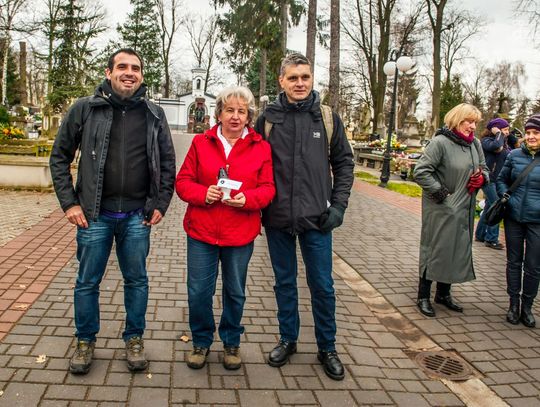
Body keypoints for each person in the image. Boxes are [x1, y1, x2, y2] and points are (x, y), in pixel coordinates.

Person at [49, 48, 176, 374]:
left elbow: (167, 163)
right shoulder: (85, 109)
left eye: (135, 68)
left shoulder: (154, 114)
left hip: (137, 217)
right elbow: (59, 156)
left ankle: (134, 339)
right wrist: (69, 203)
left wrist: (161, 203)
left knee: (137, 281)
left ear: (142, 75)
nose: (129, 73)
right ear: (109, 72)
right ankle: (85, 341)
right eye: (122, 66)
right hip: (94, 216)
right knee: (87, 282)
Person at [254, 53, 354, 381]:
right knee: (284, 283)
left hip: (318, 218)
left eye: (305, 77)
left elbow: (344, 163)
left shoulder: (326, 118)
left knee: (322, 285)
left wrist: (338, 206)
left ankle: (327, 347)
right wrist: (257, 206)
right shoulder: (267, 119)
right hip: (278, 217)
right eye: (293, 78)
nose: (300, 83)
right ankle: (288, 339)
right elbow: (252, 164)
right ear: (281, 81)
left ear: (312, 79)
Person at [176, 86, 275, 370]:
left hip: (239, 234)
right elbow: (183, 182)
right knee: (198, 292)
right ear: (218, 114)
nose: (235, 116)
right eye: (229, 110)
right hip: (202, 232)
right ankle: (201, 341)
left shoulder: (261, 147)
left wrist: (248, 199)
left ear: (249, 117)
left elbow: (268, 188)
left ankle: (231, 341)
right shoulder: (201, 143)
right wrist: (202, 193)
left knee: (235, 292)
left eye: (241, 111)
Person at [413, 103, 488, 318]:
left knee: (455, 249)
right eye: (468, 121)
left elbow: (484, 168)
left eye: (475, 122)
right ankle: (423, 296)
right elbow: (421, 171)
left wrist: (482, 178)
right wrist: (442, 194)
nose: (472, 126)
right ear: (456, 120)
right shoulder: (440, 143)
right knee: (435, 249)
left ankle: (443, 294)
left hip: (464, 208)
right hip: (441, 208)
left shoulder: (475, 144)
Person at [496, 113, 540, 327]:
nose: (531, 136)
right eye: (528, 132)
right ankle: (513, 304)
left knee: (533, 266)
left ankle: (527, 307)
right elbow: (501, 180)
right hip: (513, 217)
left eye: (536, 133)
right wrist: (508, 198)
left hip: (537, 221)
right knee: (514, 262)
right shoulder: (514, 155)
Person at [475, 118, 510, 250]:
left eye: (508, 129)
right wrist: (498, 133)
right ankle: (491, 239)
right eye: (505, 129)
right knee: (496, 206)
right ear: (496, 129)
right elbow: (495, 146)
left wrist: (506, 135)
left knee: (490, 206)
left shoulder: (504, 142)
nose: (507, 132)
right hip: (488, 179)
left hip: (497, 179)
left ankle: (480, 234)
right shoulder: (486, 141)